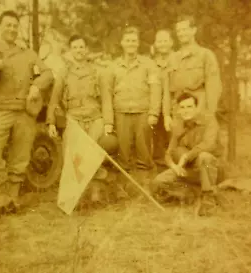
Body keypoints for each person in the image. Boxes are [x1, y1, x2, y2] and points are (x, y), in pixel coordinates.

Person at [0, 10, 54, 215]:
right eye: (8, 25)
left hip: (23, 112)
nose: (11, 29)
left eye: (15, 25)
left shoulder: (28, 53)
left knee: (20, 158)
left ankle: (12, 199)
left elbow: (47, 73)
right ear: (0, 27)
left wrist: (36, 86)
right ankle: (1, 195)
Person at [46, 34, 113, 203]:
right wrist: (51, 121)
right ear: (70, 51)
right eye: (75, 47)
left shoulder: (97, 71)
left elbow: (105, 98)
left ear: (86, 50)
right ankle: (74, 197)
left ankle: (96, 191)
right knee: (73, 156)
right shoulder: (64, 73)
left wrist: (108, 122)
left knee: (92, 153)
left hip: (95, 118)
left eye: (81, 47)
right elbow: (54, 99)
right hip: (74, 118)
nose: (78, 51)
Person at [105, 26, 162, 190]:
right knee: (123, 151)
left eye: (134, 41)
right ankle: (124, 186)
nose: (131, 44)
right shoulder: (113, 67)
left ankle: (145, 184)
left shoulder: (148, 65)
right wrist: (110, 120)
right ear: (122, 43)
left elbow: (155, 90)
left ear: (138, 44)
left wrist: (153, 113)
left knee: (143, 149)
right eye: (128, 41)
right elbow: (108, 94)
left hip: (143, 113)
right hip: (121, 113)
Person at [150, 92, 224, 216]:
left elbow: (208, 144)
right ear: (178, 110)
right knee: (158, 182)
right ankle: (191, 193)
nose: (186, 111)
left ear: (196, 108)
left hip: (211, 168)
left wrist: (186, 156)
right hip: (190, 169)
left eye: (189, 107)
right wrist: (174, 167)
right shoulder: (179, 126)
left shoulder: (209, 120)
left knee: (203, 157)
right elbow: (169, 153)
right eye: (182, 107)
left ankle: (208, 198)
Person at [163, 15, 222, 124]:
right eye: (178, 31)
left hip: (199, 110)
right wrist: (166, 115)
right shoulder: (172, 58)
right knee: (179, 140)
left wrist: (209, 113)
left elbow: (214, 87)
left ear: (193, 30)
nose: (181, 33)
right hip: (178, 112)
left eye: (184, 30)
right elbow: (167, 90)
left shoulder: (205, 55)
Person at [151, 29, 175, 168]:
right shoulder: (152, 63)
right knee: (159, 139)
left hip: (175, 106)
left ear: (171, 42)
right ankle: (161, 168)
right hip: (158, 107)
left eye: (165, 40)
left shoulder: (177, 59)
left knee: (174, 139)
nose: (162, 44)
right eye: (159, 41)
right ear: (155, 44)